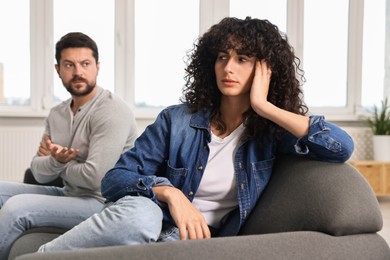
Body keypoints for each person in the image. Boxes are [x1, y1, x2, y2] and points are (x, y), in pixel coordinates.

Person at [38, 17, 354, 252]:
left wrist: (263, 105)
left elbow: (341, 147)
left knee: (168, 241)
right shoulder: (177, 121)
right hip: (149, 214)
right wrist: (171, 193)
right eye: (222, 57)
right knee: (141, 218)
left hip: (194, 238)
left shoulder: (269, 135)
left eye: (242, 59)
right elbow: (114, 179)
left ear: (264, 70)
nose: (228, 67)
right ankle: (43, 257)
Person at [0, 32, 137, 258]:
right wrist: (56, 162)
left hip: (103, 202)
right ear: (58, 70)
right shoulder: (57, 114)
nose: (78, 72)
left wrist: (56, 163)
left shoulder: (112, 110)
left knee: (16, 209)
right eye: (69, 65)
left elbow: (96, 178)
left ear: (97, 67)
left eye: (85, 64)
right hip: (69, 192)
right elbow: (38, 172)